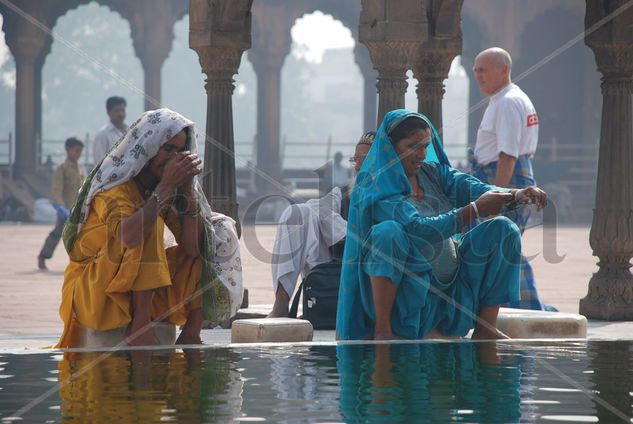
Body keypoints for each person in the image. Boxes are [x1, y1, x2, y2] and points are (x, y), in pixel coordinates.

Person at [336, 109, 548, 341]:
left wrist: (515, 195)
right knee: (387, 232)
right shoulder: (376, 187)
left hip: (451, 292)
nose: (421, 154)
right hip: (408, 295)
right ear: (391, 148)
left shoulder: (434, 173)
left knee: (504, 229)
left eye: (425, 146)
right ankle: (383, 331)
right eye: (412, 146)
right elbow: (417, 229)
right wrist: (474, 210)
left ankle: (485, 327)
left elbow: (472, 187)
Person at [56, 108, 242, 348]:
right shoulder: (115, 191)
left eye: (180, 151)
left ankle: (192, 332)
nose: (173, 158)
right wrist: (165, 187)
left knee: (216, 230)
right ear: (147, 147)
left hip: (136, 285)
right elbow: (128, 236)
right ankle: (140, 325)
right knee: (147, 221)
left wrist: (187, 192)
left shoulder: (167, 188)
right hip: (96, 289)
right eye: (167, 149)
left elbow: (192, 248)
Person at [471, 47, 552, 311]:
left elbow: (507, 155)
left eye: (483, 70)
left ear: (503, 69)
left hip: (506, 176)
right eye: (475, 71)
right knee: (502, 245)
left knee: (504, 244)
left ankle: (528, 309)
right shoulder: (509, 99)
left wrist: (497, 196)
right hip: (513, 173)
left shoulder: (507, 102)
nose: (478, 76)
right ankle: (516, 306)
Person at [268, 132, 375, 318]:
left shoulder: (394, 193)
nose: (358, 166)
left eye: (365, 159)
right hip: (333, 267)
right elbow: (317, 209)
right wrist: (345, 235)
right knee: (298, 213)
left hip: (370, 269)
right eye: (356, 159)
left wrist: (347, 235)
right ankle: (281, 302)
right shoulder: (343, 193)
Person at [37, 137, 85, 270]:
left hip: (77, 209)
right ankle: (43, 256)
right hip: (65, 209)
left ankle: (78, 261)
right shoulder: (62, 168)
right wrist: (60, 206)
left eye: (80, 151)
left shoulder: (79, 168)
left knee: (78, 236)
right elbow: (56, 189)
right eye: (76, 150)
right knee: (57, 233)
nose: (79, 154)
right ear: (68, 150)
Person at [92, 96, 128, 165]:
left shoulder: (132, 131)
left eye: (122, 110)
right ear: (108, 112)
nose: (121, 114)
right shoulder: (102, 135)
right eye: (117, 111)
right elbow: (99, 163)